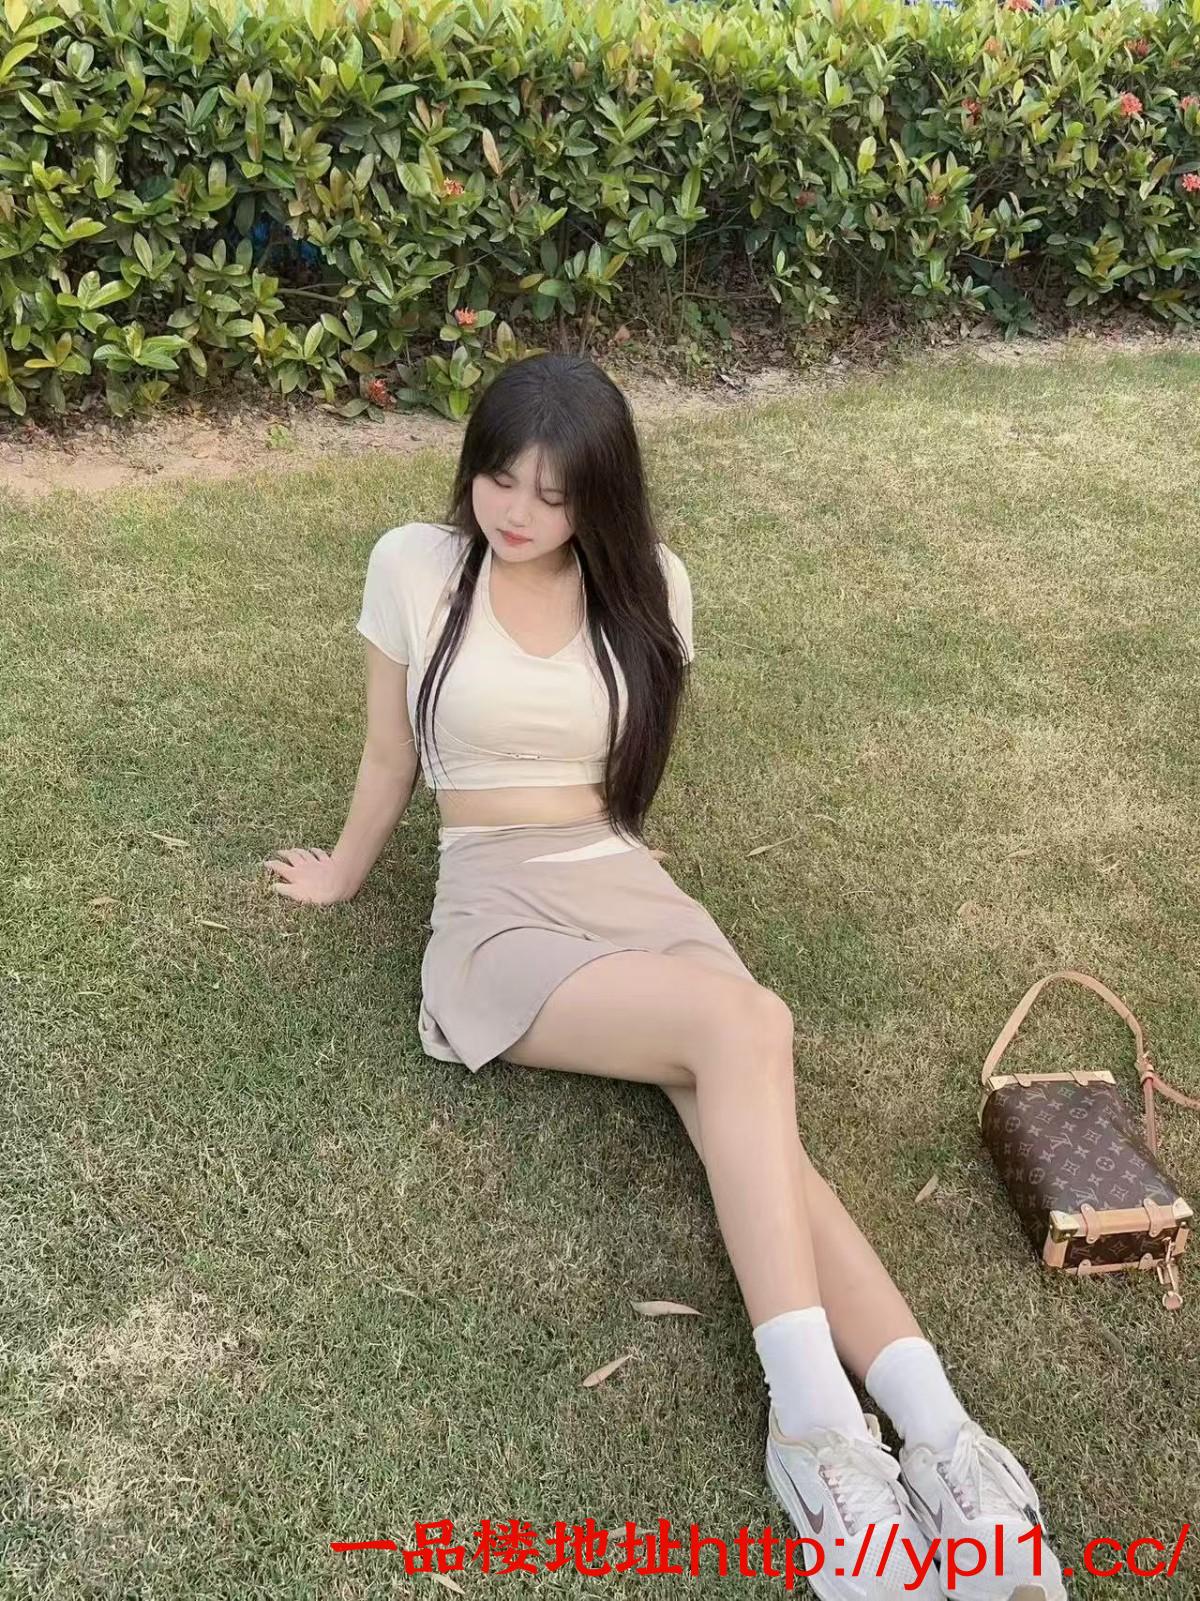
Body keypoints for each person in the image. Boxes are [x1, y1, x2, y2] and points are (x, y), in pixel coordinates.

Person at [264, 353, 1066, 1601]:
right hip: (494, 909)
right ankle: (818, 1430)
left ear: (602, 497)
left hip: (621, 879)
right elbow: (387, 755)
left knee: (757, 1120)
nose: (516, 511)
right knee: (747, 1027)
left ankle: (940, 1434)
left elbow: (629, 771)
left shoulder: (654, 587)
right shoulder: (414, 564)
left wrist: (634, 873)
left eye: (554, 494)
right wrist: (344, 873)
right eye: (498, 477)